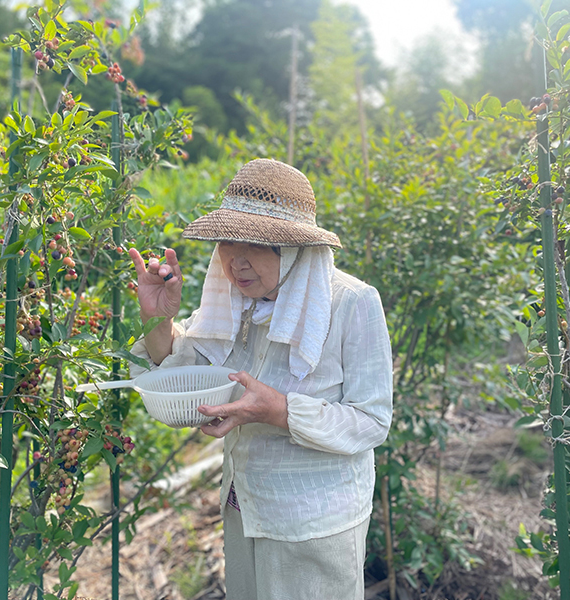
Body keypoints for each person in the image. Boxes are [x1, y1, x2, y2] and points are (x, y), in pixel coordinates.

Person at [128, 158, 393, 600]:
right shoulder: (235, 303)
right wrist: (159, 320)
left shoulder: (352, 304)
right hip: (243, 505)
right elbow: (193, 369)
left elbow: (371, 420)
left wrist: (280, 411)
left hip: (312, 523)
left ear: (291, 250)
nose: (235, 262)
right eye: (226, 243)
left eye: (252, 244)